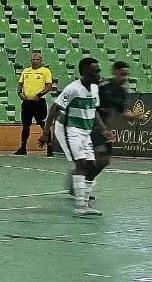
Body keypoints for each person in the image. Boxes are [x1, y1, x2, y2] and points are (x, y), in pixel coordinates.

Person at [38, 58, 111, 217]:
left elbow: (94, 110)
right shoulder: (73, 89)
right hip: (70, 129)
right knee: (82, 164)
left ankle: (84, 203)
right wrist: (45, 133)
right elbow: (54, 109)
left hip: (85, 131)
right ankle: (80, 207)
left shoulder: (94, 89)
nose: (99, 74)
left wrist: (104, 129)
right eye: (95, 71)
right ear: (85, 72)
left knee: (92, 165)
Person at [89, 61, 138, 205]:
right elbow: (92, 108)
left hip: (104, 128)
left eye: (126, 75)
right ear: (114, 72)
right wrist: (102, 128)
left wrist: (135, 116)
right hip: (92, 125)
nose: (124, 77)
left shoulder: (122, 91)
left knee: (105, 161)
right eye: (122, 74)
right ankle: (83, 185)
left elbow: (121, 112)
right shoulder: (102, 87)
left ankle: (83, 180)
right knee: (96, 158)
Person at [16, 51, 55, 155]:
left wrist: (40, 95)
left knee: (44, 124)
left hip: (39, 102)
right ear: (31, 60)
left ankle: (50, 149)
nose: (35, 61)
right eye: (33, 59)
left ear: (41, 61)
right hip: (27, 102)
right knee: (25, 126)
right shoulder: (26, 71)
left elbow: (49, 86)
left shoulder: (45, 71)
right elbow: (20, 84)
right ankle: (23, 148)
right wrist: (19, 93)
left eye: (37, 59)